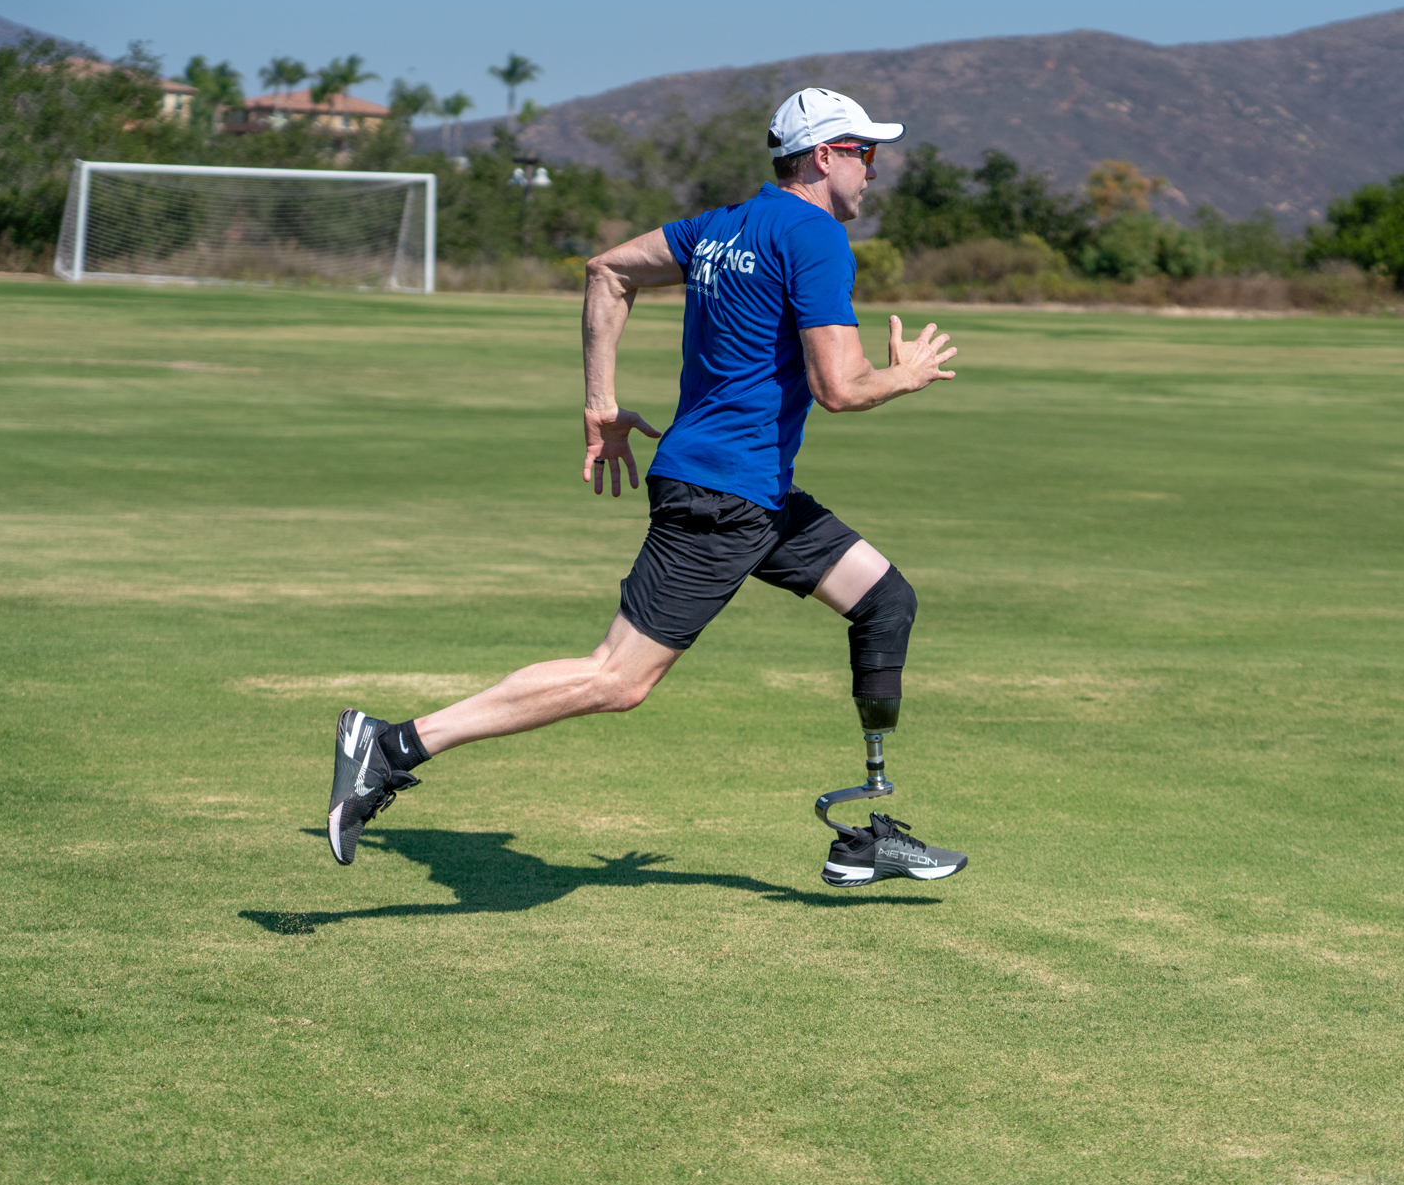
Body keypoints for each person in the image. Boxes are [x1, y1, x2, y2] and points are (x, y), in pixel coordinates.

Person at [327, 88, 969, 888]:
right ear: (823, 156)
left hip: (754, 490)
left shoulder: (718, 228)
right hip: (722, 496)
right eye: (865, 152)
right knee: (616, 679)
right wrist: (902, 377)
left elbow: (607, 271)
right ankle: (391, 746)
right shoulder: (814, 236)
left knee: (885, 600)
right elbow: (838, 387)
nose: (875, 169)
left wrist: (601, 402)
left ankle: (873, 821)